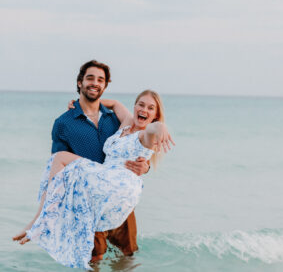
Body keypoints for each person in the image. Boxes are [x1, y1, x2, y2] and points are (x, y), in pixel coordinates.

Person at [13, 89, 174, 269]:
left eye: (151, 108)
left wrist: (161, 127)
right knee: (58, 159)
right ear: (135, 106)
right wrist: (80, 105)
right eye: (141, 105)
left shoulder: (146, 134)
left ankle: (42, 220)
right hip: (102, 180)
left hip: (118, 185)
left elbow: (154, 130)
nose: (144, 110)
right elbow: (113, 104)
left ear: (156, 115)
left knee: (125, 253)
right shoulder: (127, 122)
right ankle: (42, 218)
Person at [28, 60, 151, 262]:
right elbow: (58, 170)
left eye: (100, 80)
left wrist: (144, 168)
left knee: (127, 259)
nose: (95, 83)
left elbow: (139, 148)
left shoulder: (116, 118)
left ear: (105, 86)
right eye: (90, 78)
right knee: (94, 261)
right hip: (88, 206)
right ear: (79, 83)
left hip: (119, 203)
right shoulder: (63, 123)